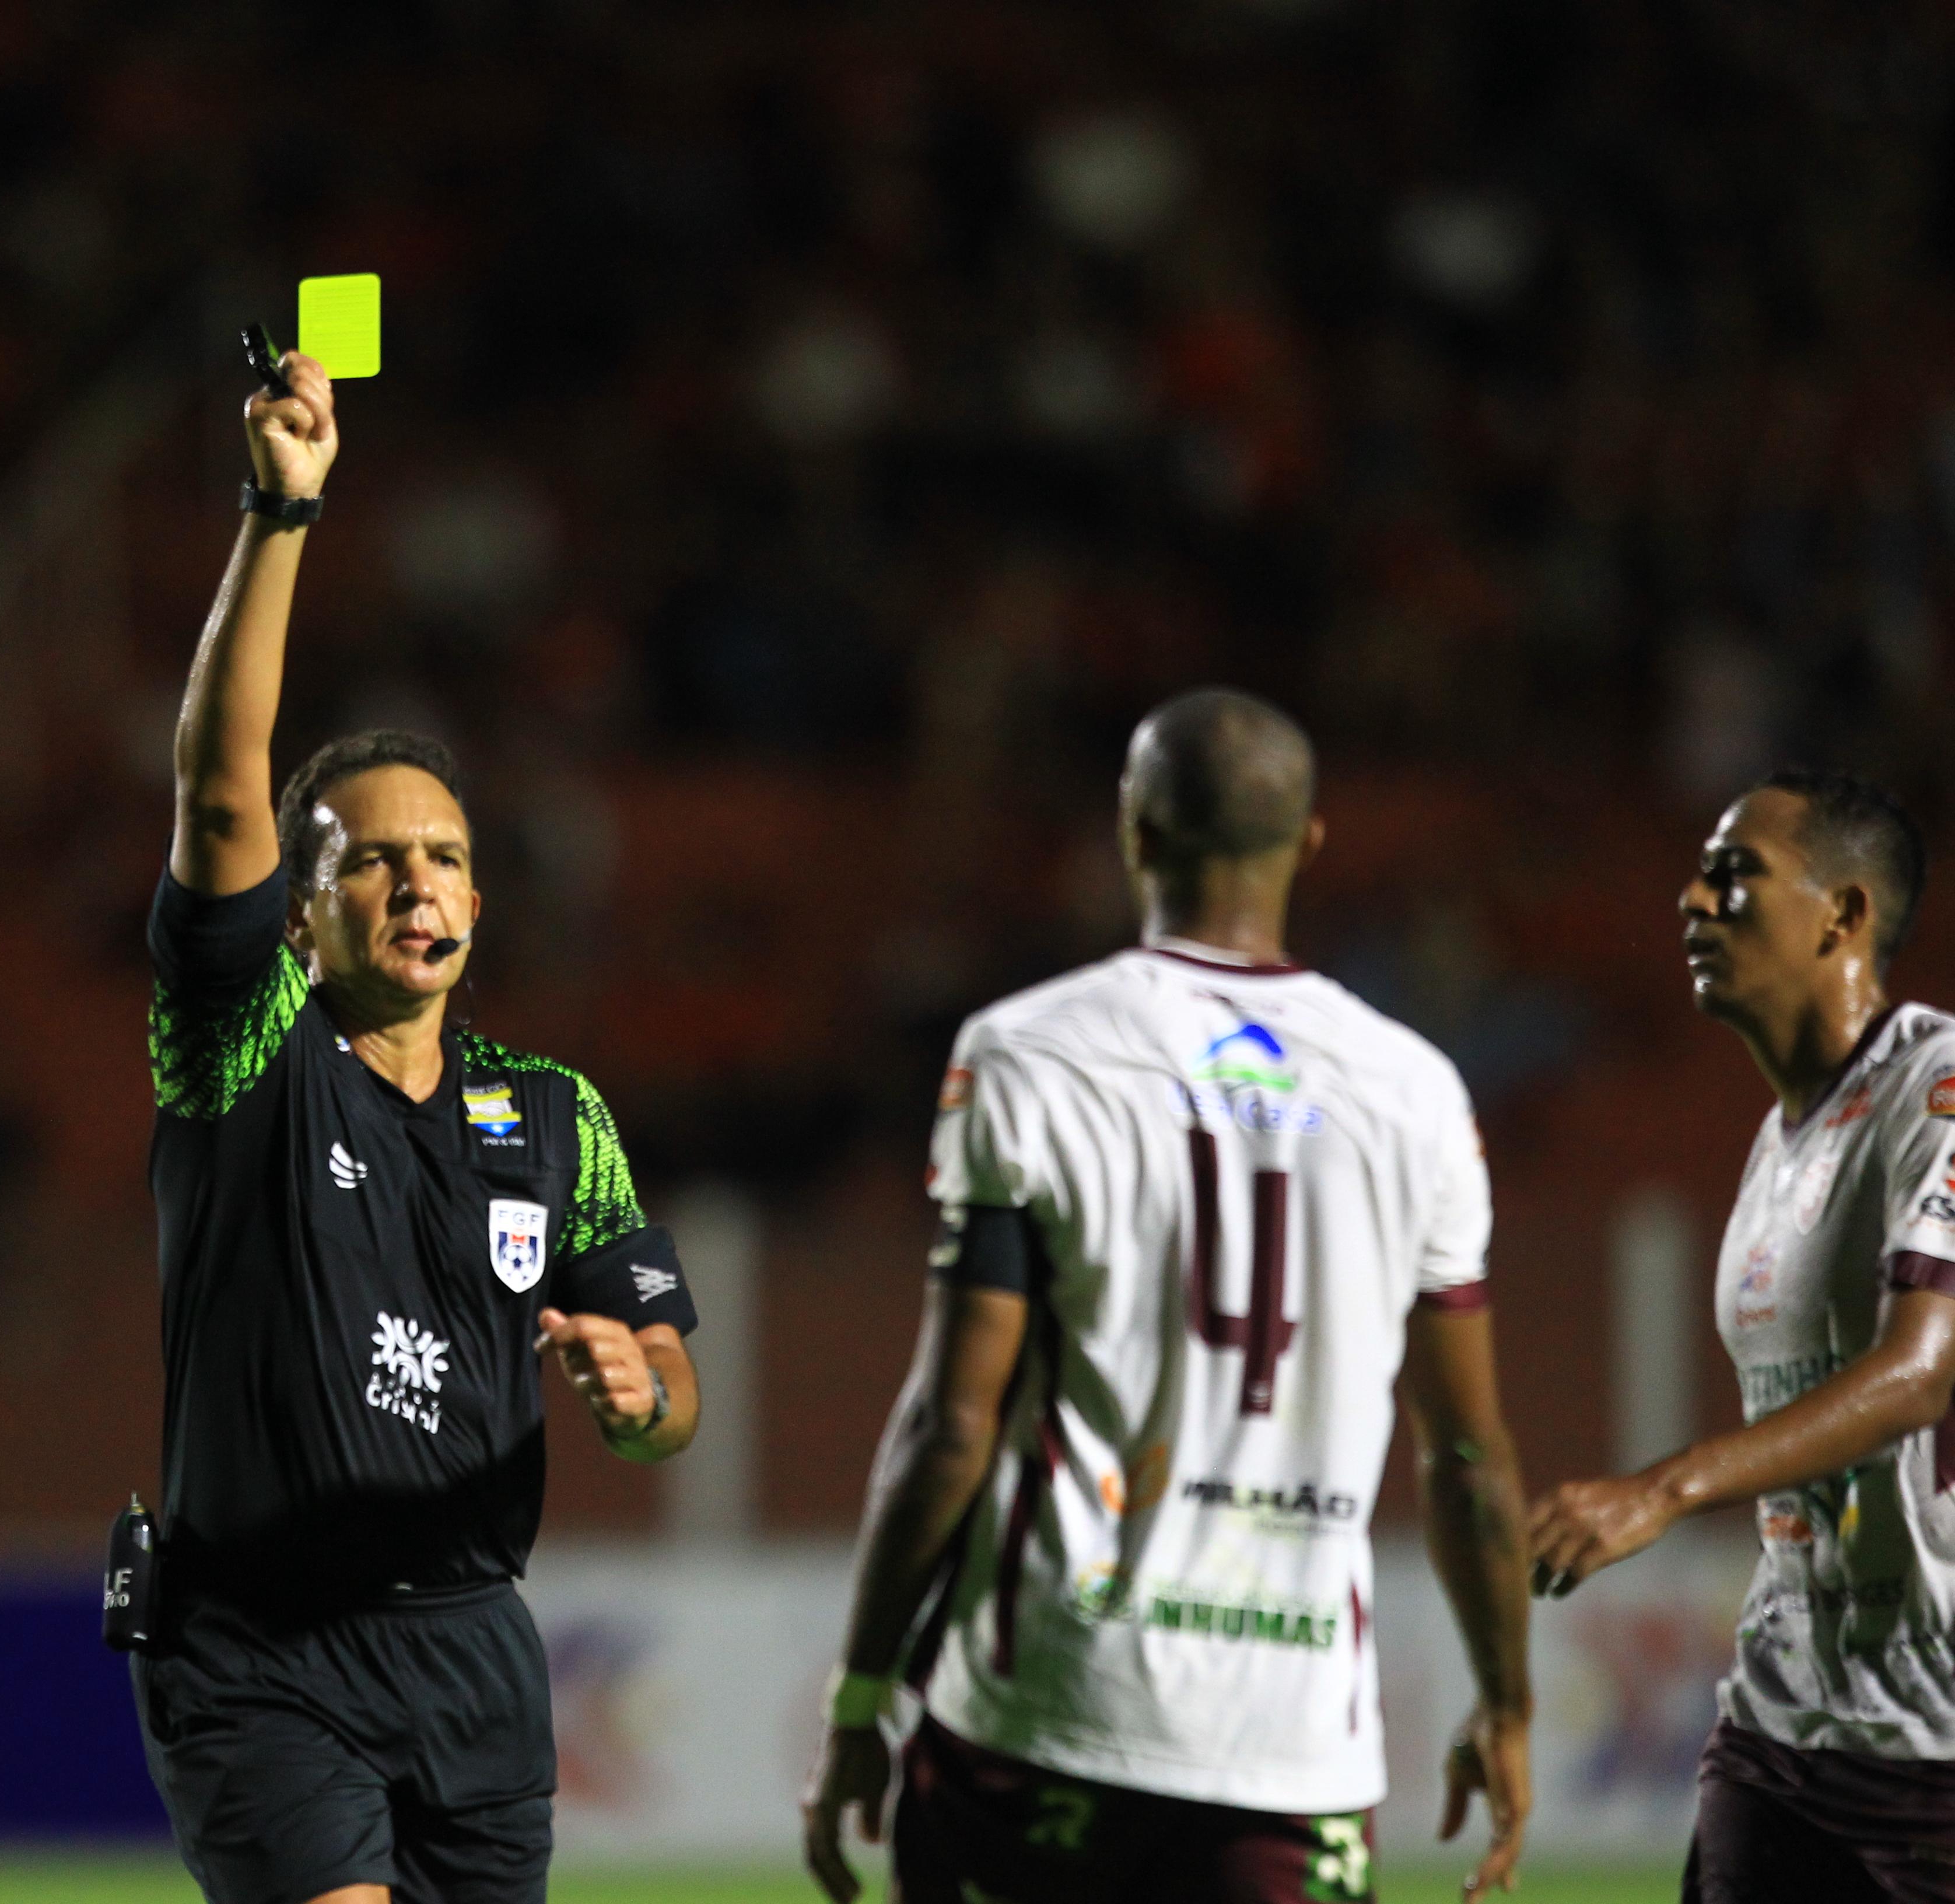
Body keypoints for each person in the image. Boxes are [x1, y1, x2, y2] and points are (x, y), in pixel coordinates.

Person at [802, 689, 1535, 1903]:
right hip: (1291, 1753)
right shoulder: (1419, 1094)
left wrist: (859, 1702)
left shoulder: (1026, 1050)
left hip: (1042, 1713)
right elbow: (1469, 1457)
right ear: (1308, 846)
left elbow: (950, 1427)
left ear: (1132, 834)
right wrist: (1506, 1704)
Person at [134, 344, 702, 1904]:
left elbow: (672, 1404)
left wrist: (633, 1384)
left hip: (473, 1661)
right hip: (262, 1647)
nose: (417, 885)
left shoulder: (555, 1118)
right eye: (371, 862)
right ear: (303, 913)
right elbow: (219, 789)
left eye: (444, 857)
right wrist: (281, 509)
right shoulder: (245, 1057)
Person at [1529, 769, 1955, 1904]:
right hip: (1778, 1725)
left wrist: (1661, 1491)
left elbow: (1921, 1373)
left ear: (1845, 913)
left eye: (1735, 875)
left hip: (1932, 1750)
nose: (1692, 899)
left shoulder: (1940, 1088)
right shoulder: (1780, 1141)